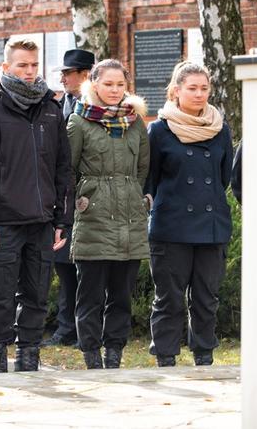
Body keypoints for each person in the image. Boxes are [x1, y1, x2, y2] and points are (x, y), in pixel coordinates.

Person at [0, 39, 72, 373]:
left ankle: (29, 356)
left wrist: (62, 218)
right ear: (6, 68)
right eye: (21, 65)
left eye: (33, 65)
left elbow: (62, 168)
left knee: (37, 295)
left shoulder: (51, 108)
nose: (29, 72)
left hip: (42, 221)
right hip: (4, 222)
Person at [145, 62, 233, 367]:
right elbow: (150, 179)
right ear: (176, 90)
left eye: (204, 88)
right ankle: (166, 356)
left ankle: (204, 354)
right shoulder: (159, 130)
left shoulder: (220, 129)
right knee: (169, 298)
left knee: (206, 297)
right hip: (172, 226)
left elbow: (224, 178)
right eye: (192, 88)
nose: (199, 94)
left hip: (211, 227)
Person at [67, 59, 149, 369]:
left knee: (121, 295)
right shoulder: (79, 122)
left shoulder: (136, 122)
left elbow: (142, 168)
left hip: (129, 218)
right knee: (90, 294)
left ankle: (114, 351)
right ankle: (91, 354)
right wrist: (90, 198)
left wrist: (130, 196)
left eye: (120, 85)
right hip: (93, 220)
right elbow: (69, 172)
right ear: (94, 83)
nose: (114, 90)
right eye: (108, 84)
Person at [44, 49, 95, 347]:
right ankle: (65, 328)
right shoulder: (57, 105)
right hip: (61, 197)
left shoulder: (96, 107)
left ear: (86, 74)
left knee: (85, 270)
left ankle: (81, 328)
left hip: (88, 197)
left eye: (68, 72)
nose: (62, 77)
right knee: (63, 266)